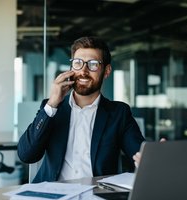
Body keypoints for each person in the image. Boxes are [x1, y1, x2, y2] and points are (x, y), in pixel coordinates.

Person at [17, 36, 145, 183]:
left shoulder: (118, 113)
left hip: (96, 194)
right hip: (53, 194)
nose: (83, 71)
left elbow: (138, 153)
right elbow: (26, 155)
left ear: (107, 71)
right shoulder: (52, 108)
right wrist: (52, 104)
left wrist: (150, 157)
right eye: (78, 63)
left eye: (93, 64)